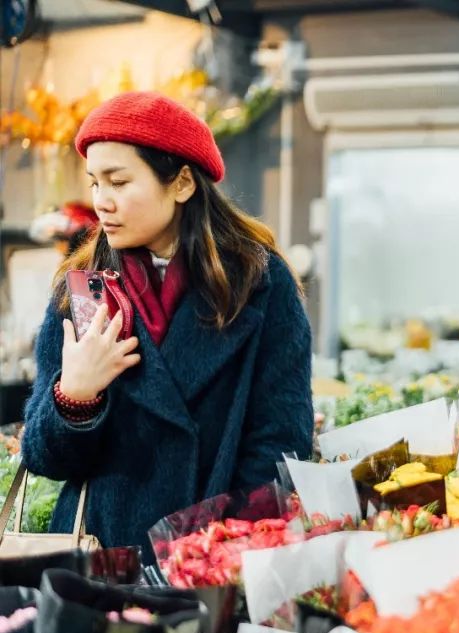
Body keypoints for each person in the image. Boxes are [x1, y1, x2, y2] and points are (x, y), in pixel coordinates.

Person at [20, 92, 314, 557]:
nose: (101, 203)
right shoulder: (81, 288)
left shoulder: (259, 283)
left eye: (118, 182)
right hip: (102, 562)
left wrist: (223, 549)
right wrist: (75, 397)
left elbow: (281, 441)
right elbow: (43, 459)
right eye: (95, 183)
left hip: (210, 561)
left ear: (180, 184)